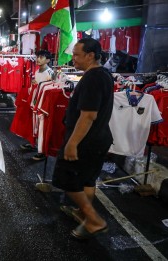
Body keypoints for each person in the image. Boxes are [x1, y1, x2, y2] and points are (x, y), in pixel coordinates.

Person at [52, 38, 114, 240]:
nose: (73, 58)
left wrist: (72, 143)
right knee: (87, 178)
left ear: (90, 55)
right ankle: (84, 213)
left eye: (77, 54)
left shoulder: (92, 79)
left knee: (67, 178)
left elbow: (88, 115)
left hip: (85, 141)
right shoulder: (103, 74)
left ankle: (94, 220)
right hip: (98, 139)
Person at [20, 50, 54, 161]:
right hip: (35, 102)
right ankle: (33, 143)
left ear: (48, 60)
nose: (38, 59)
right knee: (34, 125)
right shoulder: (37, 71)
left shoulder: (50, 73)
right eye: (38, 57)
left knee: (41, 127)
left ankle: (42, 151)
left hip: (42, 105)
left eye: (42, 57)